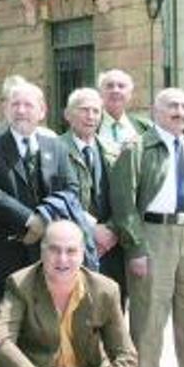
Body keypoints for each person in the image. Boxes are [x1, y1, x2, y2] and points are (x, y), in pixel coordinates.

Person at [109, 87, 184, 367]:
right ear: (155, 110)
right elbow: (124, 203)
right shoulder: (137, 149)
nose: (179, 112)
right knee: (149, 320)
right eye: (172, 106)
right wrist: (135, 247)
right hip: (153, 235)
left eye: (183, 106)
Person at [0, 220, 136, 367]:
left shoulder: (105, 290)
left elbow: (126, 356)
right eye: (54, 250)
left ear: (82, 253)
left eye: (71, 251)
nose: (62, 259)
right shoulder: (20, 284)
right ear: (42, 251)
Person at [0, 79, 78, 321]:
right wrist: (29, 220)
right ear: (6, 109)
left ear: (42, 111)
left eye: (28, 105)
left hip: (48, 253)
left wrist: (44, 217)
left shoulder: (56, 146)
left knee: (45, 322)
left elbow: (72, 189)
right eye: (15, 104)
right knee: (6, 324)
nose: (21, 110)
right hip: (4, 254)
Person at [58, 88, 126, 303]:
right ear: (68, 115)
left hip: (112, 247)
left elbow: (126, 197)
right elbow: (57, 196)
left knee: (112, 312)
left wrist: (112, 230)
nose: (91, 116)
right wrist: (92, 229)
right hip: (73, 246)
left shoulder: (113, 150)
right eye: (84, 110)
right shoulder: (55, 149)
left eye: (96, 111)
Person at [96, 69, 151, 148]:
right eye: (110, 86)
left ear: (130, 94)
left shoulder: (144, 127)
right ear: (100, 93)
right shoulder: (90, 125)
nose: (115, 90)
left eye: (121, 86)